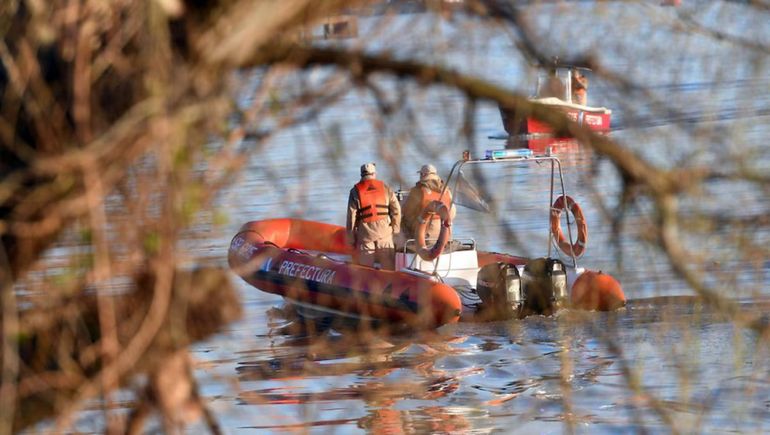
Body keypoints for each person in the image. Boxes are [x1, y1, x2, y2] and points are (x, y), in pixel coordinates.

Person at [346, 162, 401, 270]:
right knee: (388, 268)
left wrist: (351, 240)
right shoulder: (385, 187)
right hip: (384, 234)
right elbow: (397, 210)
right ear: (374, 174)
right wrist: (395, 229)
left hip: (366, 236)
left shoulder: (355, 191)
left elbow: (351, 218)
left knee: (366, 270)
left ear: (361, 175)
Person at [402, 164, 456, 245]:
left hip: (426, 236)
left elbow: (407, 212)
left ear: (423, 175)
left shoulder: (418, 191)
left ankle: (399, 250)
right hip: (446, 235)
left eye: (420, 174)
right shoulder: (447, 190)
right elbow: (452, 213)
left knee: (402, 222)